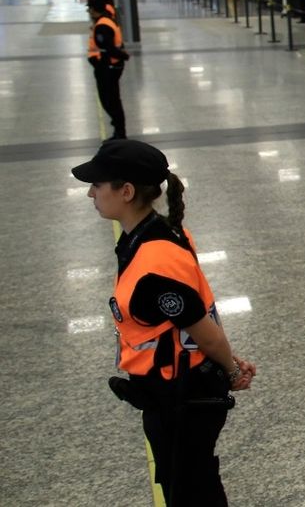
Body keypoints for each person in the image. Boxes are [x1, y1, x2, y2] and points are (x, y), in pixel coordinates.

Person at [71, 139, 257, 506]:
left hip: (184, 397)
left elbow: (203, 331)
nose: (91, 192)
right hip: (172, 391)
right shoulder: (156, 233)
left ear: (126, 191)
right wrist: (228, 363)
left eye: (98, 184)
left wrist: (232, 368)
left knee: (192, 493)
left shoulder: (153, 264)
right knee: (189, 484)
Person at [87, 0, 129, 140]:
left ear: (93, 9)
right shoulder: (106, 20)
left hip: (107, 68)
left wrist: (123, 55)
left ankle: (120, 131)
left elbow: (109, 48)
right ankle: (118, 129)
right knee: (111, 99)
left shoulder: (103, 26)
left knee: (110, 100)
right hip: (108, 67)